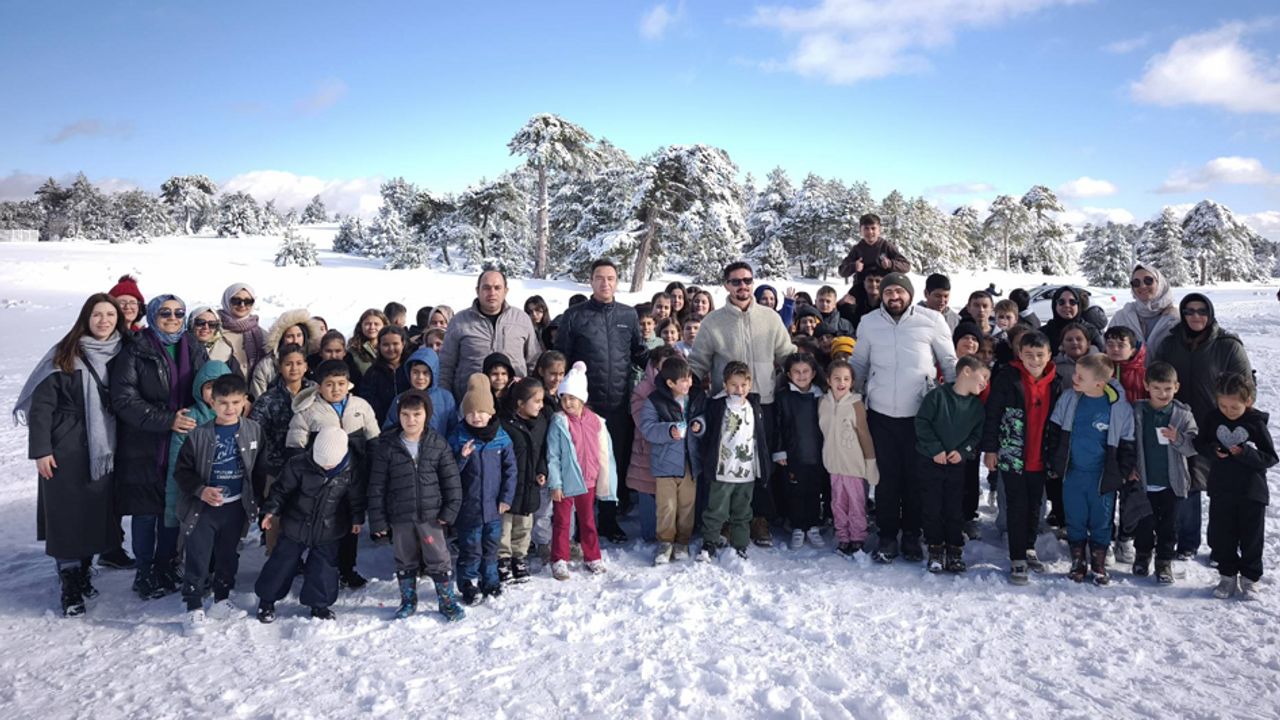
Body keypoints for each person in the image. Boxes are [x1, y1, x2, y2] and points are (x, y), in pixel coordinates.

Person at [15, 293, 124, 616]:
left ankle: (83, 568)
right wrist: (41, 450)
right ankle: (70, 582)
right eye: (97, 315)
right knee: (66, 515)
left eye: (110, 315)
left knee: (95, 511)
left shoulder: (122, 351)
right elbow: (42, 408)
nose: (104, 321)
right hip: (67, 448)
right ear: (85, 319)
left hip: (105, 445)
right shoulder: (65, 354)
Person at [850, 273, 958, 564]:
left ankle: (912, 533)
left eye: (899, 291)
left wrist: (954, 399)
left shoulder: (931, 320)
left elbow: (948, 362)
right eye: (888, 292)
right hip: (881, 413)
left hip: (920, 415)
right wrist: (849, 395)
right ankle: (887, 535)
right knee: (885, 478)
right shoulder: (869, 322)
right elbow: (859, 362)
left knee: (915, 477)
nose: (894, 297)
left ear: (909, 294)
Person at [688, 261, 796, 548]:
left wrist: (807, 373)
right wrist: (685, 386)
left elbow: (786, 353)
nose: (742, 286)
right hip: (727, 407)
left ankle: (758, 518)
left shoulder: (770, 318)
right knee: (727, 461)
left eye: (747, 280)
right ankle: (723, 519)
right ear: (726, 285)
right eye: (735, 281)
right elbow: (698, 361)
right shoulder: (713, 321)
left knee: (760, 461)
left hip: (764, 400)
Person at [110, 293, 208, 599]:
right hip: (145, 443)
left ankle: (166, 564)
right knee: (146, 511)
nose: (173, 318)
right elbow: (124, 399)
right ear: (152, 315)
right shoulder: (136, 350)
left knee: (172, 507)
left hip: (183, 441)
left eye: (179, 313)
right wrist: (167, 420)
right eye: (165, 312)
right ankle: (145, 570)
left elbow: (207, 386)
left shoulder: (192, 346)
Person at [554, 259, 648, 543]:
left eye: (610, 278)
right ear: (591, 281)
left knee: (613, 463)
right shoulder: (574, 316)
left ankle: (608, 519)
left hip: (618, 403)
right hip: (585, 405)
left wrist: (666, 364)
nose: (605, 283)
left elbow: (639, 353)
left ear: (617, 281)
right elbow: (562, 357)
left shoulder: (628, 315)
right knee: (583, 465)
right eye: (599, 278)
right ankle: (584, 525)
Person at [1154, 294, 1253, 561]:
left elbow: (1246, 387)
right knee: (1188, 483)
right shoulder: (1170, 343)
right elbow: (1155, 375)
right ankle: (1187, 541)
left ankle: (1222, 546)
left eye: (1201, 311)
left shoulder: (1227, 345)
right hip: (1181, 423)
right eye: (1189, 311)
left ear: (1210, 313)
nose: (1196, 316)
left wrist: (1240, 421)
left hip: (1218, 425)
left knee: (1221, 488)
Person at [172, 373, 266, 634]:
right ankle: (193, 606)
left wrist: (258, 501)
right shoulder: (199, 435)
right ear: (212, 403)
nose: (230, 408)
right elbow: (182, 472)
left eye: (236, 402)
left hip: (235, 507)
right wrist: (200, 490)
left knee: (228, 555)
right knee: (199, 556)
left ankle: (221, 600)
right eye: (223, 402)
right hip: (203, 509)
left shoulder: (253, 430)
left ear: (245, 402)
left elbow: (259, 469)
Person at [366, 391, 465, 621]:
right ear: (398, 416)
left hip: (431, 516)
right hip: (401, 516)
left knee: (439, 558)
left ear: (426, 415)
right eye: (405, 414)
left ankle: (446, 601)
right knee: (405, 558)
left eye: (417, 414)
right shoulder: (388, 446)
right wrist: (378, 520)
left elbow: (452, 481)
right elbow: (377, 486)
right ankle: (408, 600)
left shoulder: (437, 444)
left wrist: (449, 511)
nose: (411, 420)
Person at [256, 427, 368, 623]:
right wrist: (271, 511)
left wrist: (357, 519)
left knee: (323, 568)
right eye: (320, 462)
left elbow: (356, 499)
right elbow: (280, 490)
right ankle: (267, 600)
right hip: (296, 523)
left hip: (329, 528)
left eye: (330, 464)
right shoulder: (298, 464)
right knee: (281, 563)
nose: (324, 467)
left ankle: (319, 605)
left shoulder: (351, 471)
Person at [285, 359, 380, 588]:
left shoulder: (360, 406)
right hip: (322, 482)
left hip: (353, 479)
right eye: (329, 384)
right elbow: (295, 448)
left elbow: (374, 440)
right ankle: (320, 569)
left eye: (341, 383)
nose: (336, 389)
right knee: (324, 526)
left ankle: (348, 568)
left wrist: (374, 470)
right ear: (319, 386)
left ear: (348, 384)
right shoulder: (308, 411)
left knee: (351, 524)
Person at [1047, 353, 1136, 586]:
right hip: (1073, 473)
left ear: (1099, 383)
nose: (1074, 378)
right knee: (1075, 517)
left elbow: (1128, 444)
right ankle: (1077, 560)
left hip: (1102, 478)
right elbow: (1055, 432)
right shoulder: (1069, 399)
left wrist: (1123, 472)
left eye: (1080, 376)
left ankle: (1098, 561)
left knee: (1101, 520)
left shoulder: (1119, 408)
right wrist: (1055, 462)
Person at [981, 331, 1063, 585]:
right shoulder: (1008, 377)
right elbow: (993, 413)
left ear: (1049, 355)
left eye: (1040, 355)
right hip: (1013, 454)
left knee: (1036, 505)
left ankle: (1029, 546)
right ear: (1020, 355)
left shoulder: (1056, 382)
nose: (1035, 360)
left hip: (1042, 455)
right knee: (1016, 504)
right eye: (1029, 355)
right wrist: (991, 449)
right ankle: (1017, 557)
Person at [1199, 374, 1276, 601]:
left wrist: (1246, 453)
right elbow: (1200, 444)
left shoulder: (1255, 423)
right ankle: (1227, 575)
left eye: (1234, 406)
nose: (1228, 410)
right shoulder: (1213, 419)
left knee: (1251, 537)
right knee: (1224, 535)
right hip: (1222, 489)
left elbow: (1270, 457)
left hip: (1251, 492)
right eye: (1223, 405)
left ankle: (1250, 579)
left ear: (1248, 402)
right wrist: (1214, 450)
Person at [162, 360, 234, 595]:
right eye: (209, 386)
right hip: (195, 494)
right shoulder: (190, 418)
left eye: (221, 387)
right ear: (199, 389)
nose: (214, 393)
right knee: (196, 542)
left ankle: (217, 574)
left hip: (226, 496)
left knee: (222, 542)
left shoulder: (236, 418)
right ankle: (195, 579)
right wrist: (173, 509)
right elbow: (177, 465)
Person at [915, 355, 990, 573]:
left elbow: (976, 435)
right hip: (931, 463)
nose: (985, 383)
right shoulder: (937, 397)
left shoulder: (976, 407)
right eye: (983, 377)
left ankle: (955, 549)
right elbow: (922, 423)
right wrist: (935, 449)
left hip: (956, 466)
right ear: (966, 371)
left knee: (954, 508)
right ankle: (935, 548)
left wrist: (963, 451)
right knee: (932, 507)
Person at [448, 374, 517, 605]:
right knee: (470, 548)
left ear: (491, 413)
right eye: (471, 412)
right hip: (469, 508)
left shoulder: (501, 437)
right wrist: (462, 457)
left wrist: (506, 497)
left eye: (481, 412)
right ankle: (468, 584)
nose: (476, 417)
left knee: (490, 547)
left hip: (494, 507)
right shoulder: (458, 437)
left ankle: (490, 581)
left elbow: (510, 471)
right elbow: (448, 473)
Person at [547, 361, 619, 580]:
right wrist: (556, 483)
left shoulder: (596, 421)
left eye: (572, 398)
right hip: (567, 481)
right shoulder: (559, 422)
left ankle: (592, 556)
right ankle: (559, 558)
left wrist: (604, 478)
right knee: (562, 521)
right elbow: (553, 455)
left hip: (589, 480)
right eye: (564, 398)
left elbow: (604, 452)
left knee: (587, 520)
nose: (567, 403)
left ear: (582, 399)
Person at [1129, 361, 1199, 584]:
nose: (1163, 394)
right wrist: (1130, 468)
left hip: (1172, 483)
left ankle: (1164, 562)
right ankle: (1142, 556)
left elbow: (1191, 447)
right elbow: (1127, 442)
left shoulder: (1183, 415)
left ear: (1176, 387)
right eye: (1157, 388)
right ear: (1146, 386)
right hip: (1144, 480)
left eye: (1168, 389)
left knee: (1169, 526)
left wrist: (1177, 438)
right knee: (1144, 523)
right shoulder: (1137, 411)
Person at [696, 361, 771, 561]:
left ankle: (740, 544)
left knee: (743, 511)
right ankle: (709, 542)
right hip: (722, 470)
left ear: (749, 384)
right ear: (725, 385)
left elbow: (759, 437)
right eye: (734, 385)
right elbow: (707, 428)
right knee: (715, 510)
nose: (739, 390)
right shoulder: (717, 405)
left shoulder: (754, 405)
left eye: (743, 385)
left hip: (746, 471)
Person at [637, 356, 704, 565]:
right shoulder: (654, 401)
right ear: (670, 383)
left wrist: (699, 425)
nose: (689, 383)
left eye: (690, 378)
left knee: (687, 505)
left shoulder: (695, 397)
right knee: (666, 506)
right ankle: (665, 542)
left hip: (690, 462)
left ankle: (682, 541)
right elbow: (647, 428)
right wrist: (668, 430)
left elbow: (705, 417)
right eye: (683, 380)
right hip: (665, 465)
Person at [248, 344, 313, 550]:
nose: (293, 368)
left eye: (298, 363)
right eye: (288, 364)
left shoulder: (316, 392)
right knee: (275, 514)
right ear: (279, 367)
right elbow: (255, 432)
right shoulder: (268, 399)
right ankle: (274, 554)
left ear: (306, 366)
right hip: (276, 467)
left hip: (309, 464)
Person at [439, 270, 541, 400]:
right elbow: (446, 365)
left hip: (514, 402)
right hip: (471, 404)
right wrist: (445, 399)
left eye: (497, 288)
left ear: (506, 291)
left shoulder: (521, 320)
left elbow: (533, 362)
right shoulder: (460, 321)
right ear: (477, 290)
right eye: (486, 288)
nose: (492, 293)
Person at [818, 359, 878, 557]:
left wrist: (870, 463)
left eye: (846, 379)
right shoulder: (823, 403)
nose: (841, 382)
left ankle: (857, 538)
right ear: (829, 380)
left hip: (854, 466)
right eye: (837, 378)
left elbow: (864, 434)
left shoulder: (856, 404)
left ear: (852, 382)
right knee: (837, 503)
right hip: (834, 465)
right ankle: (843, 537)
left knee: (856, 504)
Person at [626, 346, 682, 544]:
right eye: (660, 369)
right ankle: (651, 534)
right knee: (649, 495)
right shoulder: (643, 391)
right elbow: (644, 424)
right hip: (648, 454)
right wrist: (670, 429)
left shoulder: (683, 389)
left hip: (674, 455)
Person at [773, 352, 827, 550]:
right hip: (793, 453)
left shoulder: (820, 396)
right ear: (788, 374)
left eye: (806, 371)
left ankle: (812, 524)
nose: (801, 376)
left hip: (816, 452)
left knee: (813, 490)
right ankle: (797, 526)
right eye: (797, 372)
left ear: (813, 373)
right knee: (794, 490)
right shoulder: (784, 397)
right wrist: (779, 451)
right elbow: (778, 426)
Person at [498, 378, 550, 583]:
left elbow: (542, 453)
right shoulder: (505, 424)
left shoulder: (540, 424)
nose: (541, 405)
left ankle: (519, 557)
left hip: (530, 485)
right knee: (505, 526)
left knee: (524, 526)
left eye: (542, 401)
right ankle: (502, 559)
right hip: (509, 486)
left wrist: (541, 471)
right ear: (520, 403)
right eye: (536, 401)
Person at [1108, 264, 1179, 367]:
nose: (1142, 286)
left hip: (1161, 381)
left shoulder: (1175, 318)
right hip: (1125, 381)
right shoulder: (1122, 316)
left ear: (1160, 283)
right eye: (1136, 283)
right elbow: (1106, 350)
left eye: (1148, 280)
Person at [383, 347, 458, 439]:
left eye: (425, 373)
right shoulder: (400, 399)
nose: (420, 377)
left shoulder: (446, 398)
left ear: (434, 373)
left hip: (438, 450)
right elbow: (389, 429)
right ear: (409, 372)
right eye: (415, 372)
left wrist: (445, 450)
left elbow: (453, 430)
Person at [249, 310, 323, 400]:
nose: (295, 340)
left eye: (299, 335)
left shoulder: (313, 361)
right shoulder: (266, 366)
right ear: (281, 338)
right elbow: (259, 398)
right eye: (290, 336)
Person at [837, 213, 910, 305]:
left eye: (873, 228)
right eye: (866, 228)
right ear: (860, 230)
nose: (870, 232)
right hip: (861, 290)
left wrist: (891, 264)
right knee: (845, 306)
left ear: (879, 230)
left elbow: (906, 266)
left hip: (884, 290)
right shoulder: (857, 249)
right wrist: (854, 266)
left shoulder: (886, 246)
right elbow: (842, 271)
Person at [354, 326, 410, 427]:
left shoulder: (411, 368)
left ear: (403, 344)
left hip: (410, 421)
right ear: (379, 346)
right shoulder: (372, 372)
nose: (391, 348)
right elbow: (367, 400)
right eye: (386, 345)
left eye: (395, 344)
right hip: (383, 425)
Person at [212, 283, 268, 382]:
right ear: (226, 301)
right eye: (236, 300)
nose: (242, 305)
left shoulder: (262, 334)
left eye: (248, 301)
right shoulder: (212, 329)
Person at [1040, 286, 1104, 355]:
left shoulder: (1091, 331)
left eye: (1072, 302)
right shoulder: (1044, 333)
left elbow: (1102, 358)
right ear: (1055, 305)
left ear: (1078, 306)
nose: (1067, 305)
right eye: (1061, 302)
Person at [187, 306, 244, 380]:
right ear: (191, 324)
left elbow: (239, 384)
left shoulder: (226, 351)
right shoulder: (182, 348)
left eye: (212, 324)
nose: (206, 327)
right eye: (200, 323)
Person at [1104, 325, 1147, 403]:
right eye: (1110, 345)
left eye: (1121, 345)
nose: (1115, 349)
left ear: (1133, 351)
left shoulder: (1143, 375)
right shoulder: (1098, 371)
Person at [347, 309, 388, 378]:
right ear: (361, 326)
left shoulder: (391, 348)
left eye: (376, 324)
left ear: (384, 326)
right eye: (367, 324)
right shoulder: (353, 352)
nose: (372, 327)